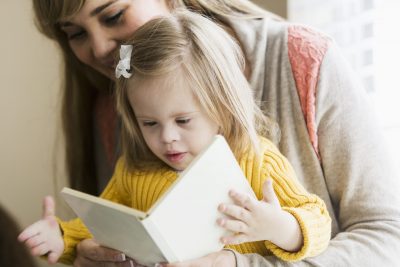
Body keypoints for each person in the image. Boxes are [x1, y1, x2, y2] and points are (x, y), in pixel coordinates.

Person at [31, 0, 400, 266]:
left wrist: (269, 239)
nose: (99, 49)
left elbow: (372, 233)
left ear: (223, 106)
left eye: (113, 15)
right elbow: (99, 222)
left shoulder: (259, 158)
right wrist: (70, 243)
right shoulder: (131, 157)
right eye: (75, 33)